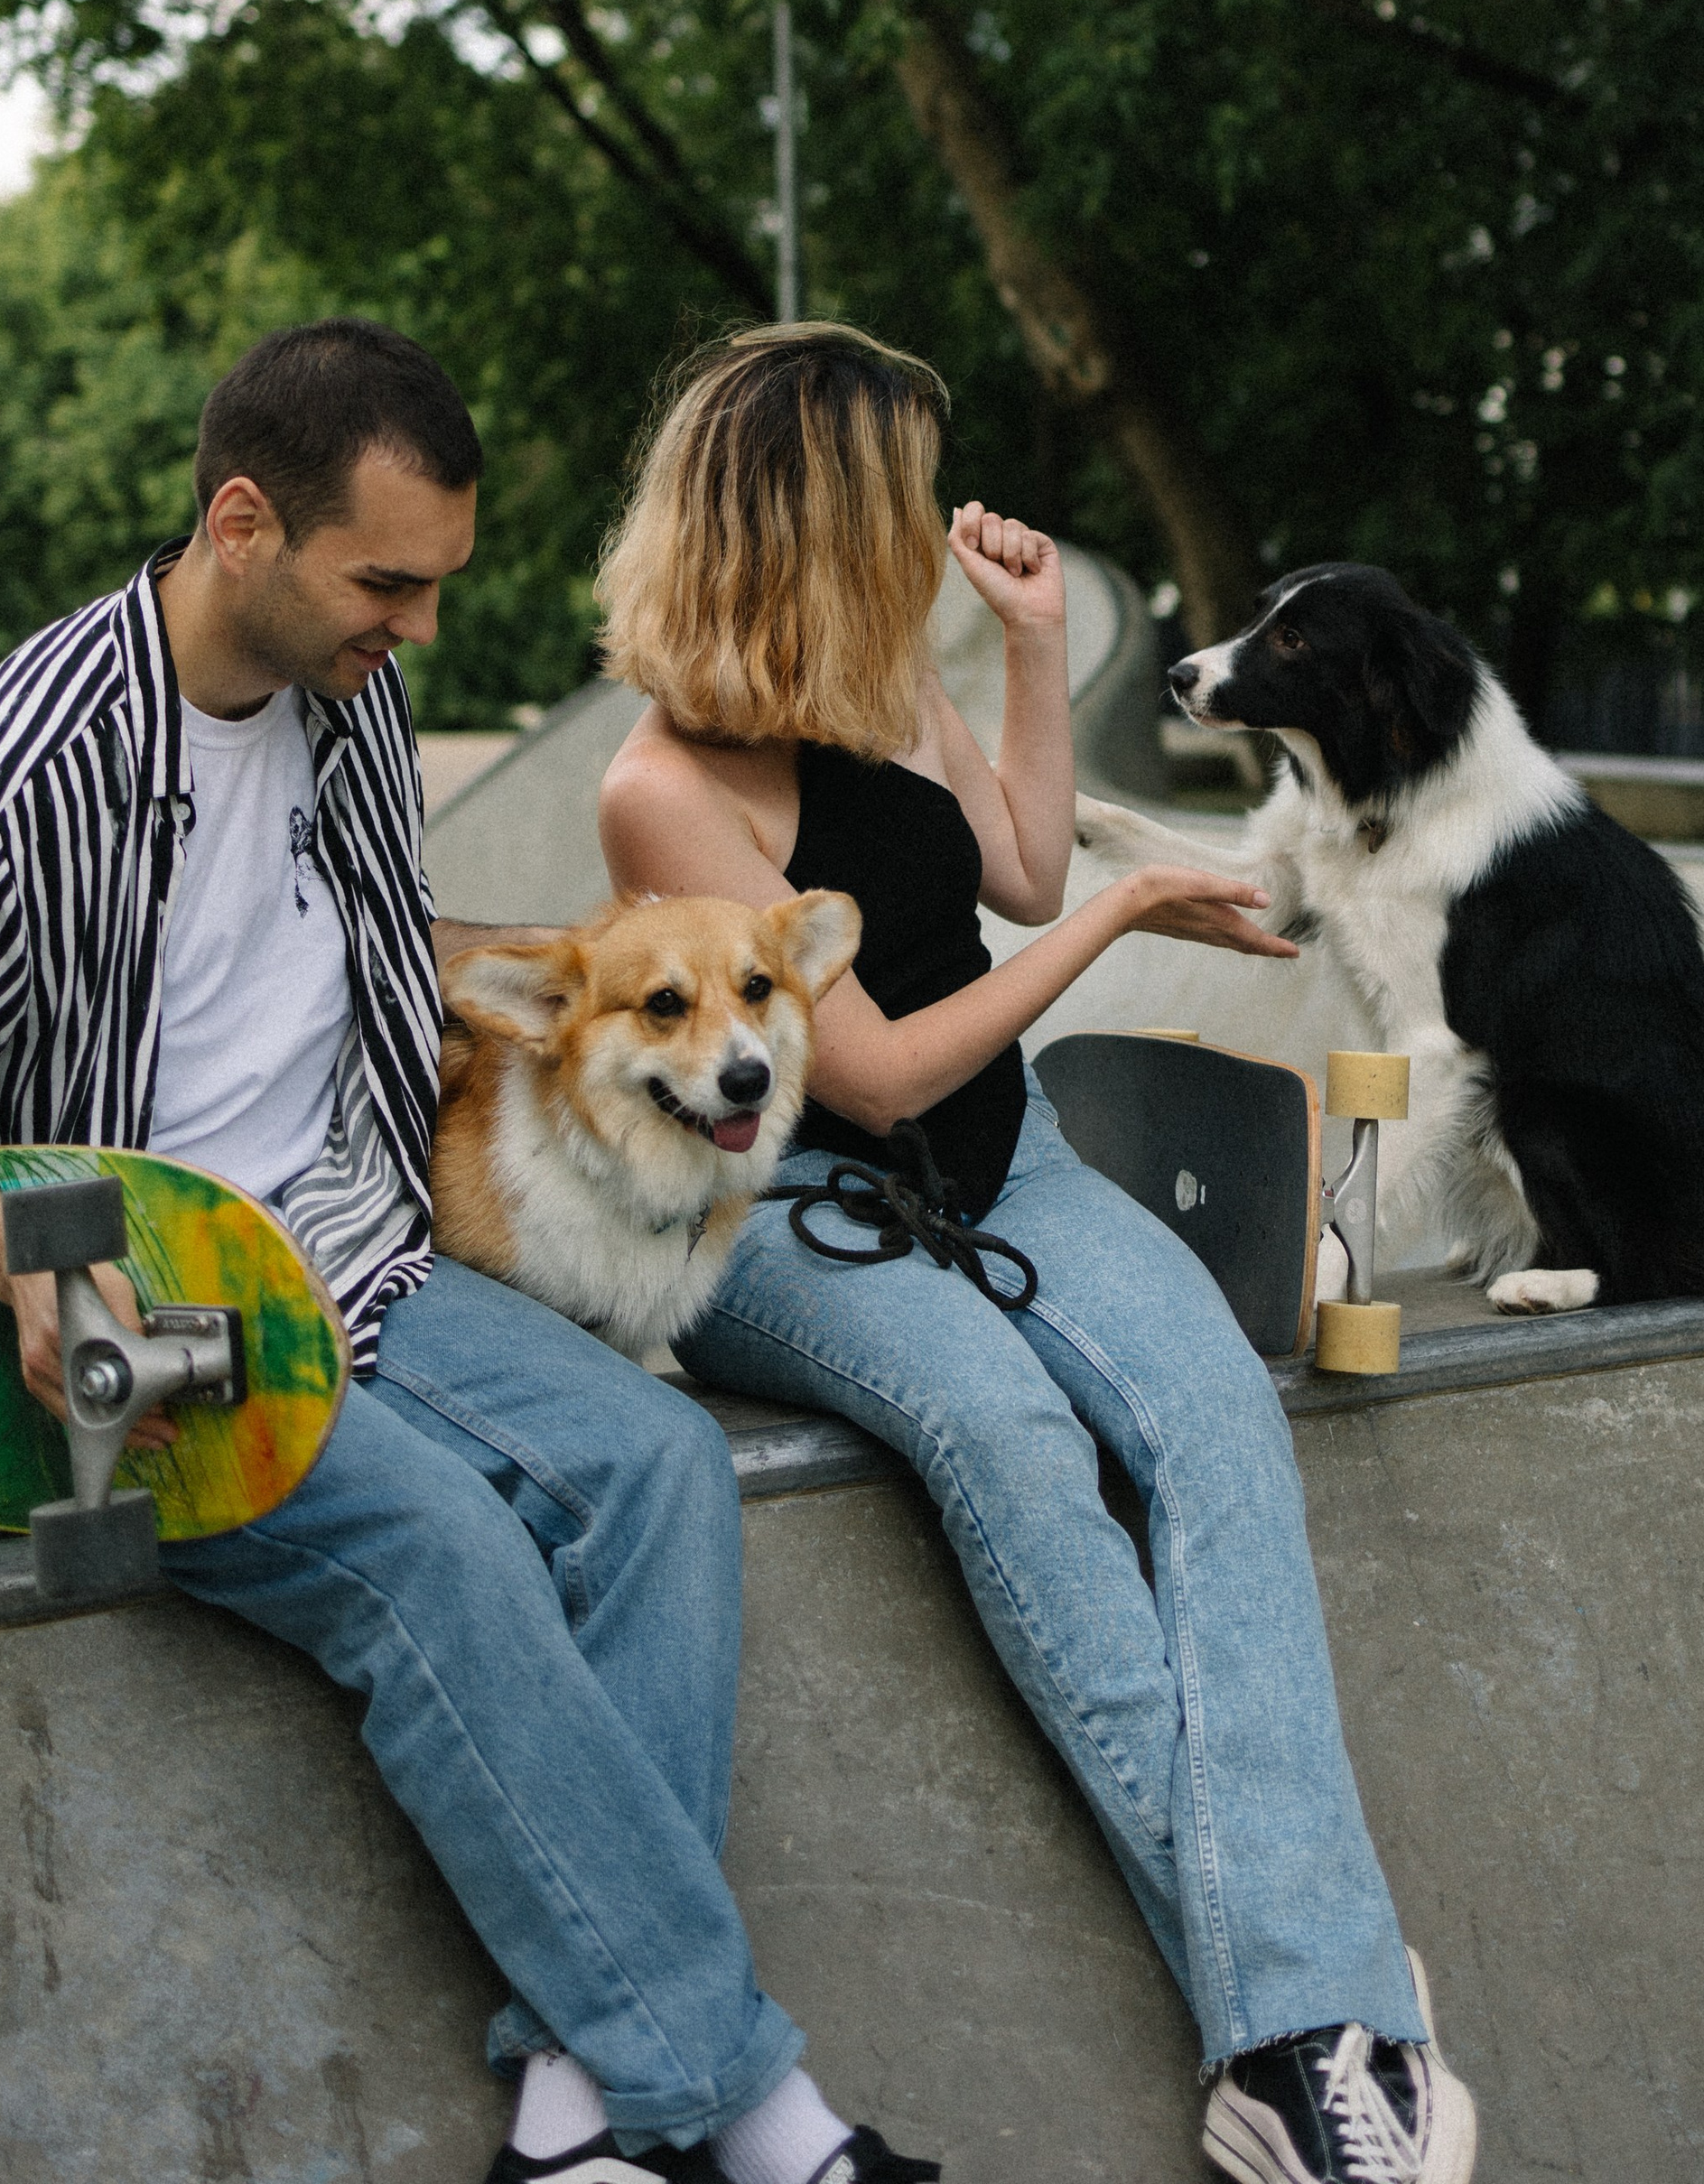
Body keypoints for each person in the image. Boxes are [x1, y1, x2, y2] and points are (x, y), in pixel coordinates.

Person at [0, 318, 935, 2184]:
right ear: (240, 526)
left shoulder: (351, 685)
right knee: (444, 1551)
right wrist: (17, 1258)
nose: (423, 632)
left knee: (656, 1468)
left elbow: (388, 952)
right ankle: (751, 2109)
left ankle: (575, 2114)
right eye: (389, 581)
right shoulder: (27, 764)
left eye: (438, 583)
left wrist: (639, 987)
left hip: (361, 1248)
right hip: (155, 1316)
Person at [599, 322, 1481, 2184]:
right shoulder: (663, 786)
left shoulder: (877, 667)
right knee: (1013, 1454)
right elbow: (883, 1066)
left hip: (1016, 1171)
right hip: (795, 1219)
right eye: (904, 493)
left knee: (1217, 1438)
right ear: (815, 519)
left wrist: (1021, 644)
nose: (932, 520)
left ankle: (1284, 2040)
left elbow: (1007, 870)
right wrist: (1146, 903)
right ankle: (1328, 2013)